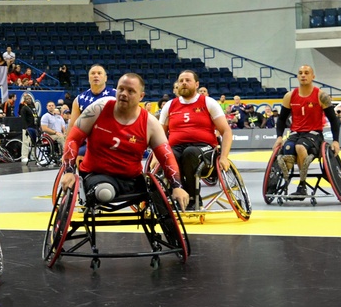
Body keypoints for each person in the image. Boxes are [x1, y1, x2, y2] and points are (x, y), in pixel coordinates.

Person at [59, 73, 189, 211]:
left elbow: (166, 156)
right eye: (121, 89)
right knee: (105, 191)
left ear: (141, 96)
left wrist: (177, 186)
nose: (123, 94)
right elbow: (73, 138)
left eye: (130, 91)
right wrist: (68, 170)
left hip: (131, 179)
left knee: (159, 193)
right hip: (96, 175)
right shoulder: (99, 108)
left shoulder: (150, 123)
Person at [159, 70, 233, 211]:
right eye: (181, 81)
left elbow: (226, 131)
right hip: (177, 147)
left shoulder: (208, 102)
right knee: (169, 156)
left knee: (190, 153)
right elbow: (160, 134)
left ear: (197, 84)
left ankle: (192, 198)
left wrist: (224, 157)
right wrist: (157, 157)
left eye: (188, 80)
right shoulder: (170, 105)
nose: (184, 83)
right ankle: (177, 194)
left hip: (204, 148)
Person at [275, 64, 341, 199]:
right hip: (295, 133)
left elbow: (334, 120)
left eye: (306, 73)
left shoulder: (321, 96)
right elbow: (281, 119)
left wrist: (335, 141)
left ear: (313, 76)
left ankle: (302, 185)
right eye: (300, 73)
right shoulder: (290, 96)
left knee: (300, 147)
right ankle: (286, 179)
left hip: (314, 134)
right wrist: (279, 137)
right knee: (287, 148)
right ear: (297, 76)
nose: (303, 75)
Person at [68, 63, 116, 131]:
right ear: (88, 78)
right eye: (93, 73)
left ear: (105, 78)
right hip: (87, 139)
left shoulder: (116, 95)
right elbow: (72, 127)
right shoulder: (79, 99)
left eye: (99, 73)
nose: (96, 75)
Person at [19, 92, 39, 163]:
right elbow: (23, 119)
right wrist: (26, 128)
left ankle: (33, 155)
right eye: (27, 99)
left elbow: (36, 117)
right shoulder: (24, 108)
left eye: (30, 98)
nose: (29, 100)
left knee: (34, 142)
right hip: (27, 128)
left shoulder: (33, 107)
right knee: (26, 142)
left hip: (34, 127)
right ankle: (24, 156)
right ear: (24, 100)